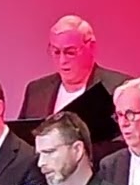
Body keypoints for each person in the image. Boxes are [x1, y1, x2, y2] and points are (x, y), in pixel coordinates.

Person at [18, 15, 133, 162]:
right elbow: (23, 142)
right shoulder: (37, 91)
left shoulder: (118, 87)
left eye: (70, 52)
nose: (62, 60)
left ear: (91, 47)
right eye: (56, 52)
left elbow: (127, 142)